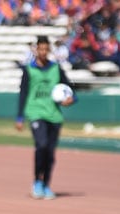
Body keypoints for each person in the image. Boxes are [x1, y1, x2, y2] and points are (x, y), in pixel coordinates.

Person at [15, 35, 75, 200]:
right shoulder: (29, 70)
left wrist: (71, 99)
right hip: (35, 112)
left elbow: (70, 88)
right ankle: (37, 182)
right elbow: (23, 93)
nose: (42, 52)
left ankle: (47, 184)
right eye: (40, 49)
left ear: (48, 50)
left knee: (50, 152)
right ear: (36, 50)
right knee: (41, 145)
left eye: (45, 49)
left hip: (54, 115)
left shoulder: (56, 69)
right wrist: (20, 117)